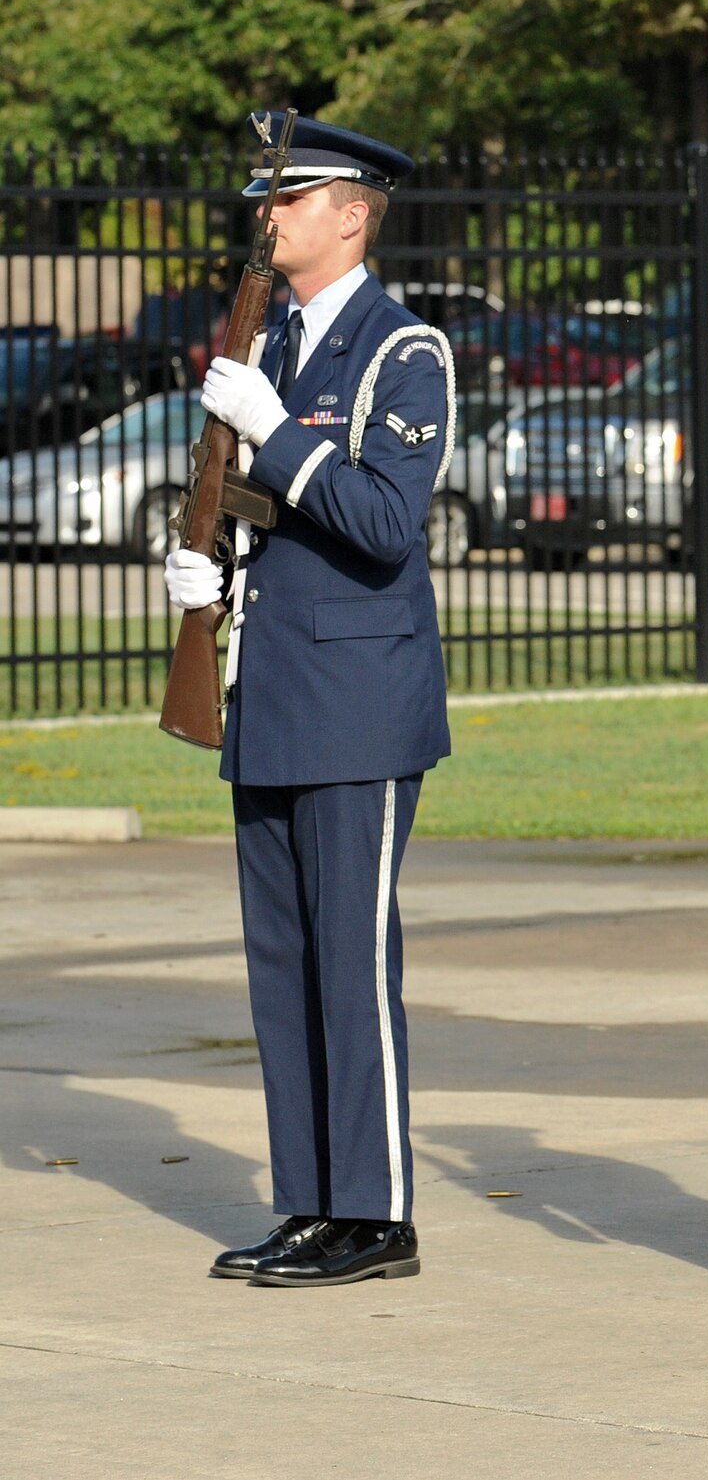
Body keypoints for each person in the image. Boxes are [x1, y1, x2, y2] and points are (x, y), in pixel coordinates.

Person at [162, 113, 454, 1286]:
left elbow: (385, 523)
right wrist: (212, 567)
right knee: (281, 959)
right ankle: (311, 1201)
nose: (267, 215)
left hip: (360, 696)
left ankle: (375, 1212)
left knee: (348, 952)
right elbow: (256, 506)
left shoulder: (403, 352)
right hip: (273, 683)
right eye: (266, 200)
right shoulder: (265, 344)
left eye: (291, 198)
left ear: (353, 212)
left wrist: (273, 431)